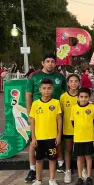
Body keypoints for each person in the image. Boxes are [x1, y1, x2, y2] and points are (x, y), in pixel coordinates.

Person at [25, 54, 67, 182]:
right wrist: (29, 115)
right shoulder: (34, 77)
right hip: (38, 115)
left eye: (52, 62)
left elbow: (65, 94)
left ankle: (59, 166)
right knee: (34, 144)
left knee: (56, 142)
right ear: (43, 63)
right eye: (47, 61)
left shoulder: (60, 77)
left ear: (55, 64)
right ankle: (32, 170)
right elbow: (28, 95)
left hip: (55, 113)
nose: (50, 64)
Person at [29, 79, 62, 185]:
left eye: (49, 88)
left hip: (52, 138)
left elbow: (59, 120)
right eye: (44, 88)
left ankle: (52, 179)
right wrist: (33, 138)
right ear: (40, 90)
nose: (46, 90)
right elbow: (32, 122)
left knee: (52, 159)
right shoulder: (35, 104)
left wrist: (58, 135)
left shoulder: (56, 103)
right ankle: (38, 179)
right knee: (39, 160)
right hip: (39, 138)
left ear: (52, 90)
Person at [70, 88, 94, 185]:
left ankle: (89, 176)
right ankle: (80, 177)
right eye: (81, 97)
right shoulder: (74, 108)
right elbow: (73, 122)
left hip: (89, 137)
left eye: (86, 97)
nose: (83, 99)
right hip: (78, 137)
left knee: (88, 157)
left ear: (89, 98)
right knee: (79, 158)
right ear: (77, 98)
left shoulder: (92, 108)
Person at [59, 74, 80, 183]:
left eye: (76, 81)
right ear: (67, 83)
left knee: (81, 151)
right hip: (67, 128)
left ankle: (83, 170)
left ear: (79, 82)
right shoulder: (63, 97)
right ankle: (67, 170)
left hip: (81, 129)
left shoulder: (82, 95)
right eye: (71, 81)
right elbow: (60, 114)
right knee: (68, 150)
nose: (73, 83)